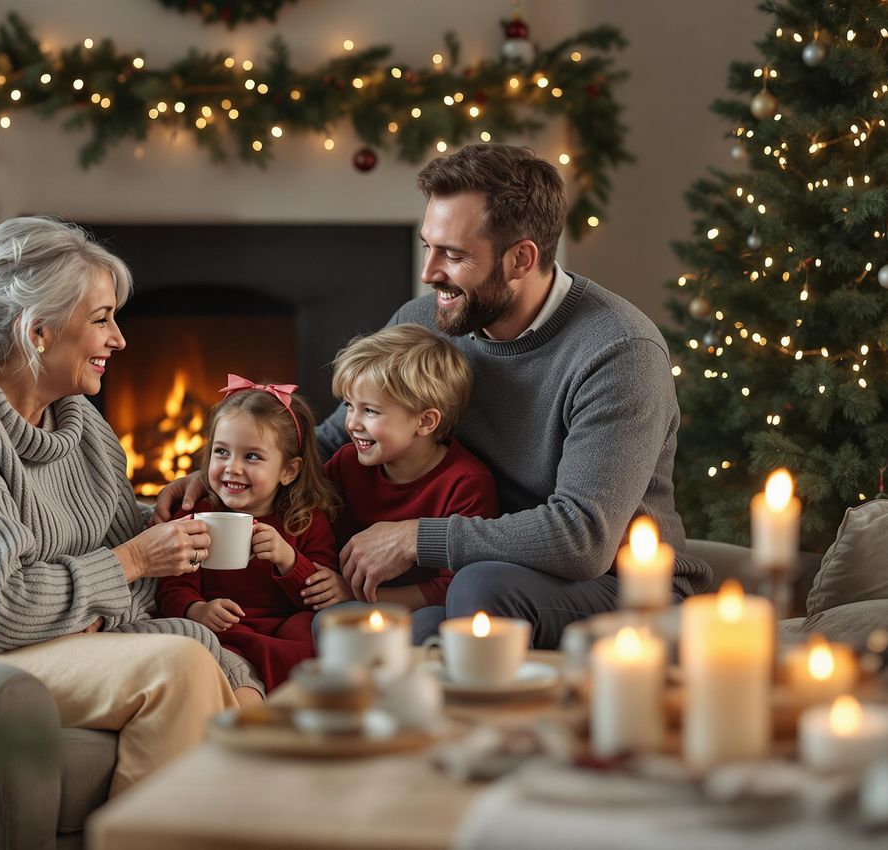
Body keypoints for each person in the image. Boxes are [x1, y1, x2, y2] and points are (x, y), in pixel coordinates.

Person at [156, 143, 712, 650]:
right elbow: (330, 441)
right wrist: (225, 472)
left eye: (452, 255)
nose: (428, 273)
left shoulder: (617, 351)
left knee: (480, 586)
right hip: (467, 574)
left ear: (520, 258)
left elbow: (582, 539)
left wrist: (418, 538)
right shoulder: (428, 320)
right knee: (339, 625)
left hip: (614, 586)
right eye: (427, 247)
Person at [0, 216, 263, 797]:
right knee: (177, 669)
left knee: (212, 666)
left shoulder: (77, 419)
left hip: (26, 643)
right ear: (38, 333)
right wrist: (131, 560)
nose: (119, 340)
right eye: (102, 319)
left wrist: (152, 526)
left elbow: (129, 588)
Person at [304, 324, 498, 644]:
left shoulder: (467, 483)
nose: (351, 423)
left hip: (424, 607)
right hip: (355, 602)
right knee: (326, 622)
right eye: (350, 407)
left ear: (425, 421)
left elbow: (454, 587)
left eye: (370, 411)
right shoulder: (345, 464)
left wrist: (360, 594)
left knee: (424, 628)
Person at [157, 376, 338, 689]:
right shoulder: (194, 514)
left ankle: (286, 697)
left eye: (251, 456)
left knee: (311, 631)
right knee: (192, 641)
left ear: (288, 470)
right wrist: (196, 608)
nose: (232, 468)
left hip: (279, 631)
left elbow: (319, 595)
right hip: (223, 630)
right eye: (222, 452)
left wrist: (288, 559)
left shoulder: (306, 520)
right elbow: (171, 585)